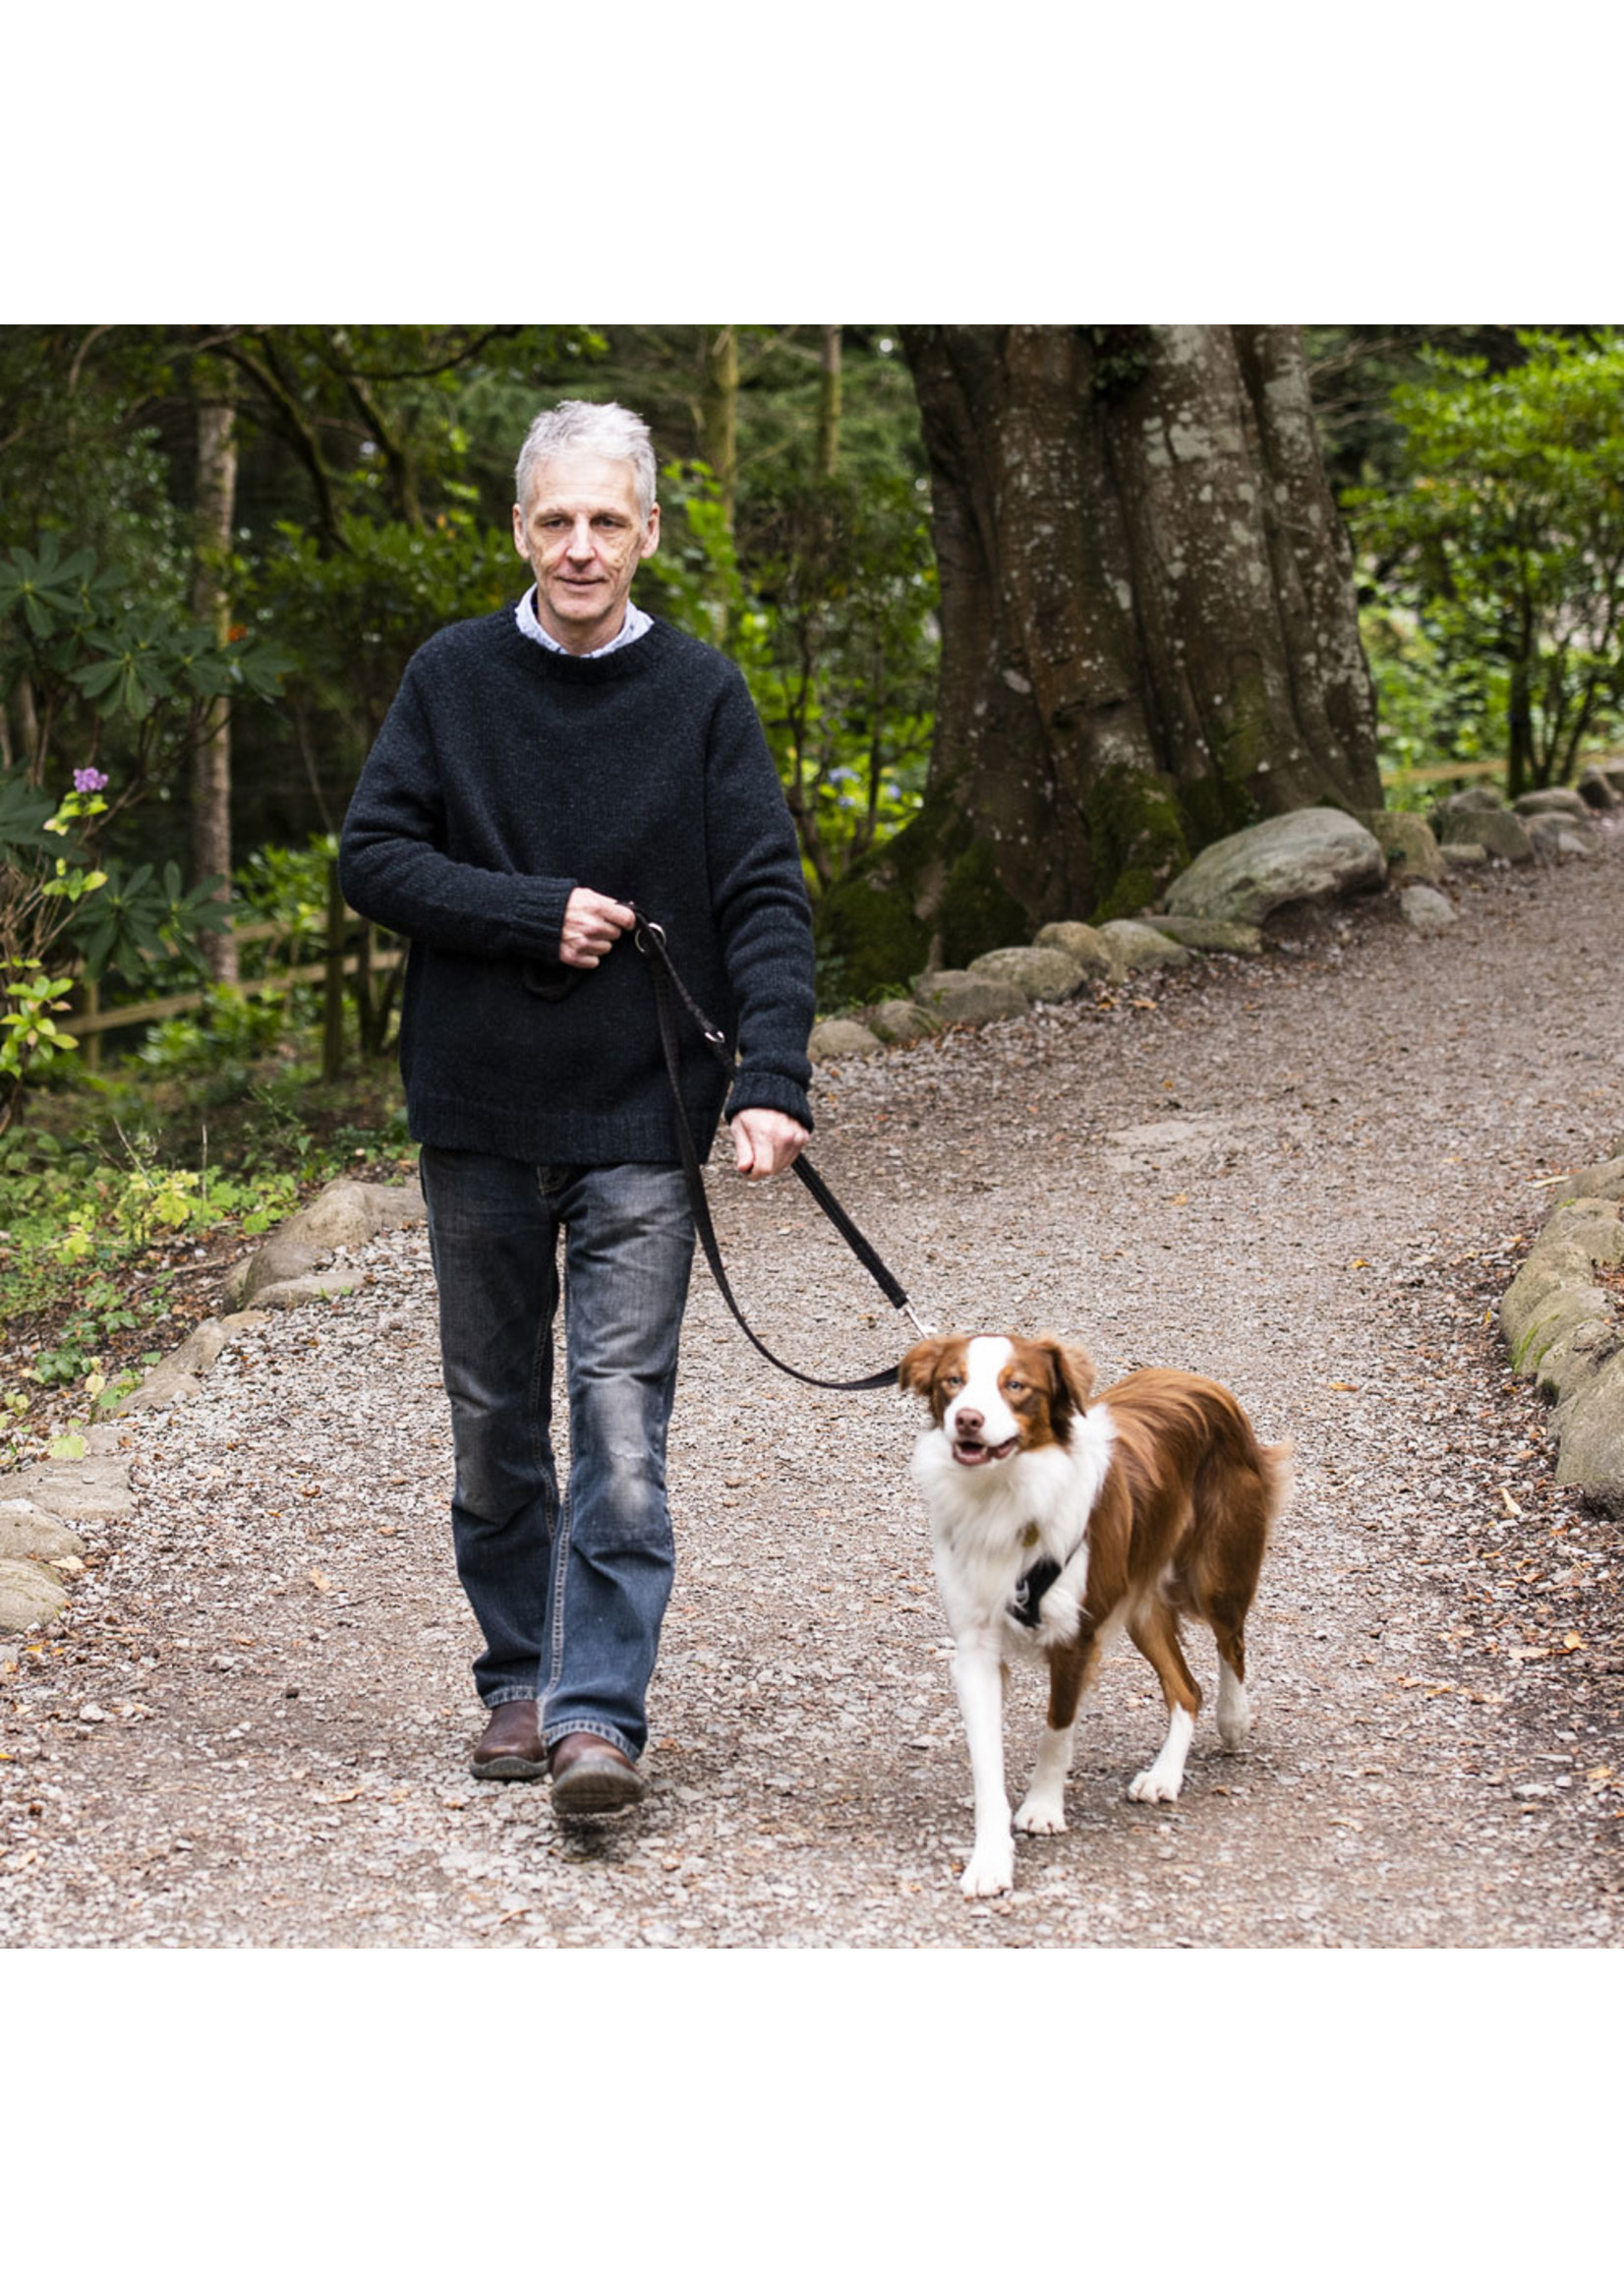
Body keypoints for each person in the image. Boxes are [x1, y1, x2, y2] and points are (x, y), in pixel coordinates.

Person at [338, 399, 815, 1818]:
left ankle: (597, 1716)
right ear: (521, 530)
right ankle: (518, 1680)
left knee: (618, 1424)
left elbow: (766, 902)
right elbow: (373, 857)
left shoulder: (703, 694)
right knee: (494, 1419)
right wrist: (529, 913)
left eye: (609, 520)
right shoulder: (451, 677)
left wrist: (773, 1080)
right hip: (479, 1110)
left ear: (649, 532)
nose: (583, 546)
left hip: (641, 1117)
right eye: (557, 520)